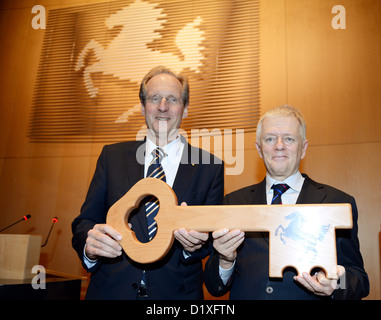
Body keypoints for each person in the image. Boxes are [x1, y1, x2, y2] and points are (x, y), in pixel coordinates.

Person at [72, 66, 224, 299]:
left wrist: (193, 246)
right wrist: (90, 247)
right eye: (155, 98)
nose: (163, 106)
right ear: (143, 106)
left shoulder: (209, 167)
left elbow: (213, 240)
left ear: (185, 109)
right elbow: (85, 221)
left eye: (172, 99)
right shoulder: (111, 157)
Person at [204, 105, 369, 300]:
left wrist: (335, 285)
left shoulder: (338, 203)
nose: (279, 145)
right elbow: (215, 287)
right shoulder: (233, 202)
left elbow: (359, 280)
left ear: (303, 148)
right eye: (270, 139)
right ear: (259, 148)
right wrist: (225, 259)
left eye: (289, 139)